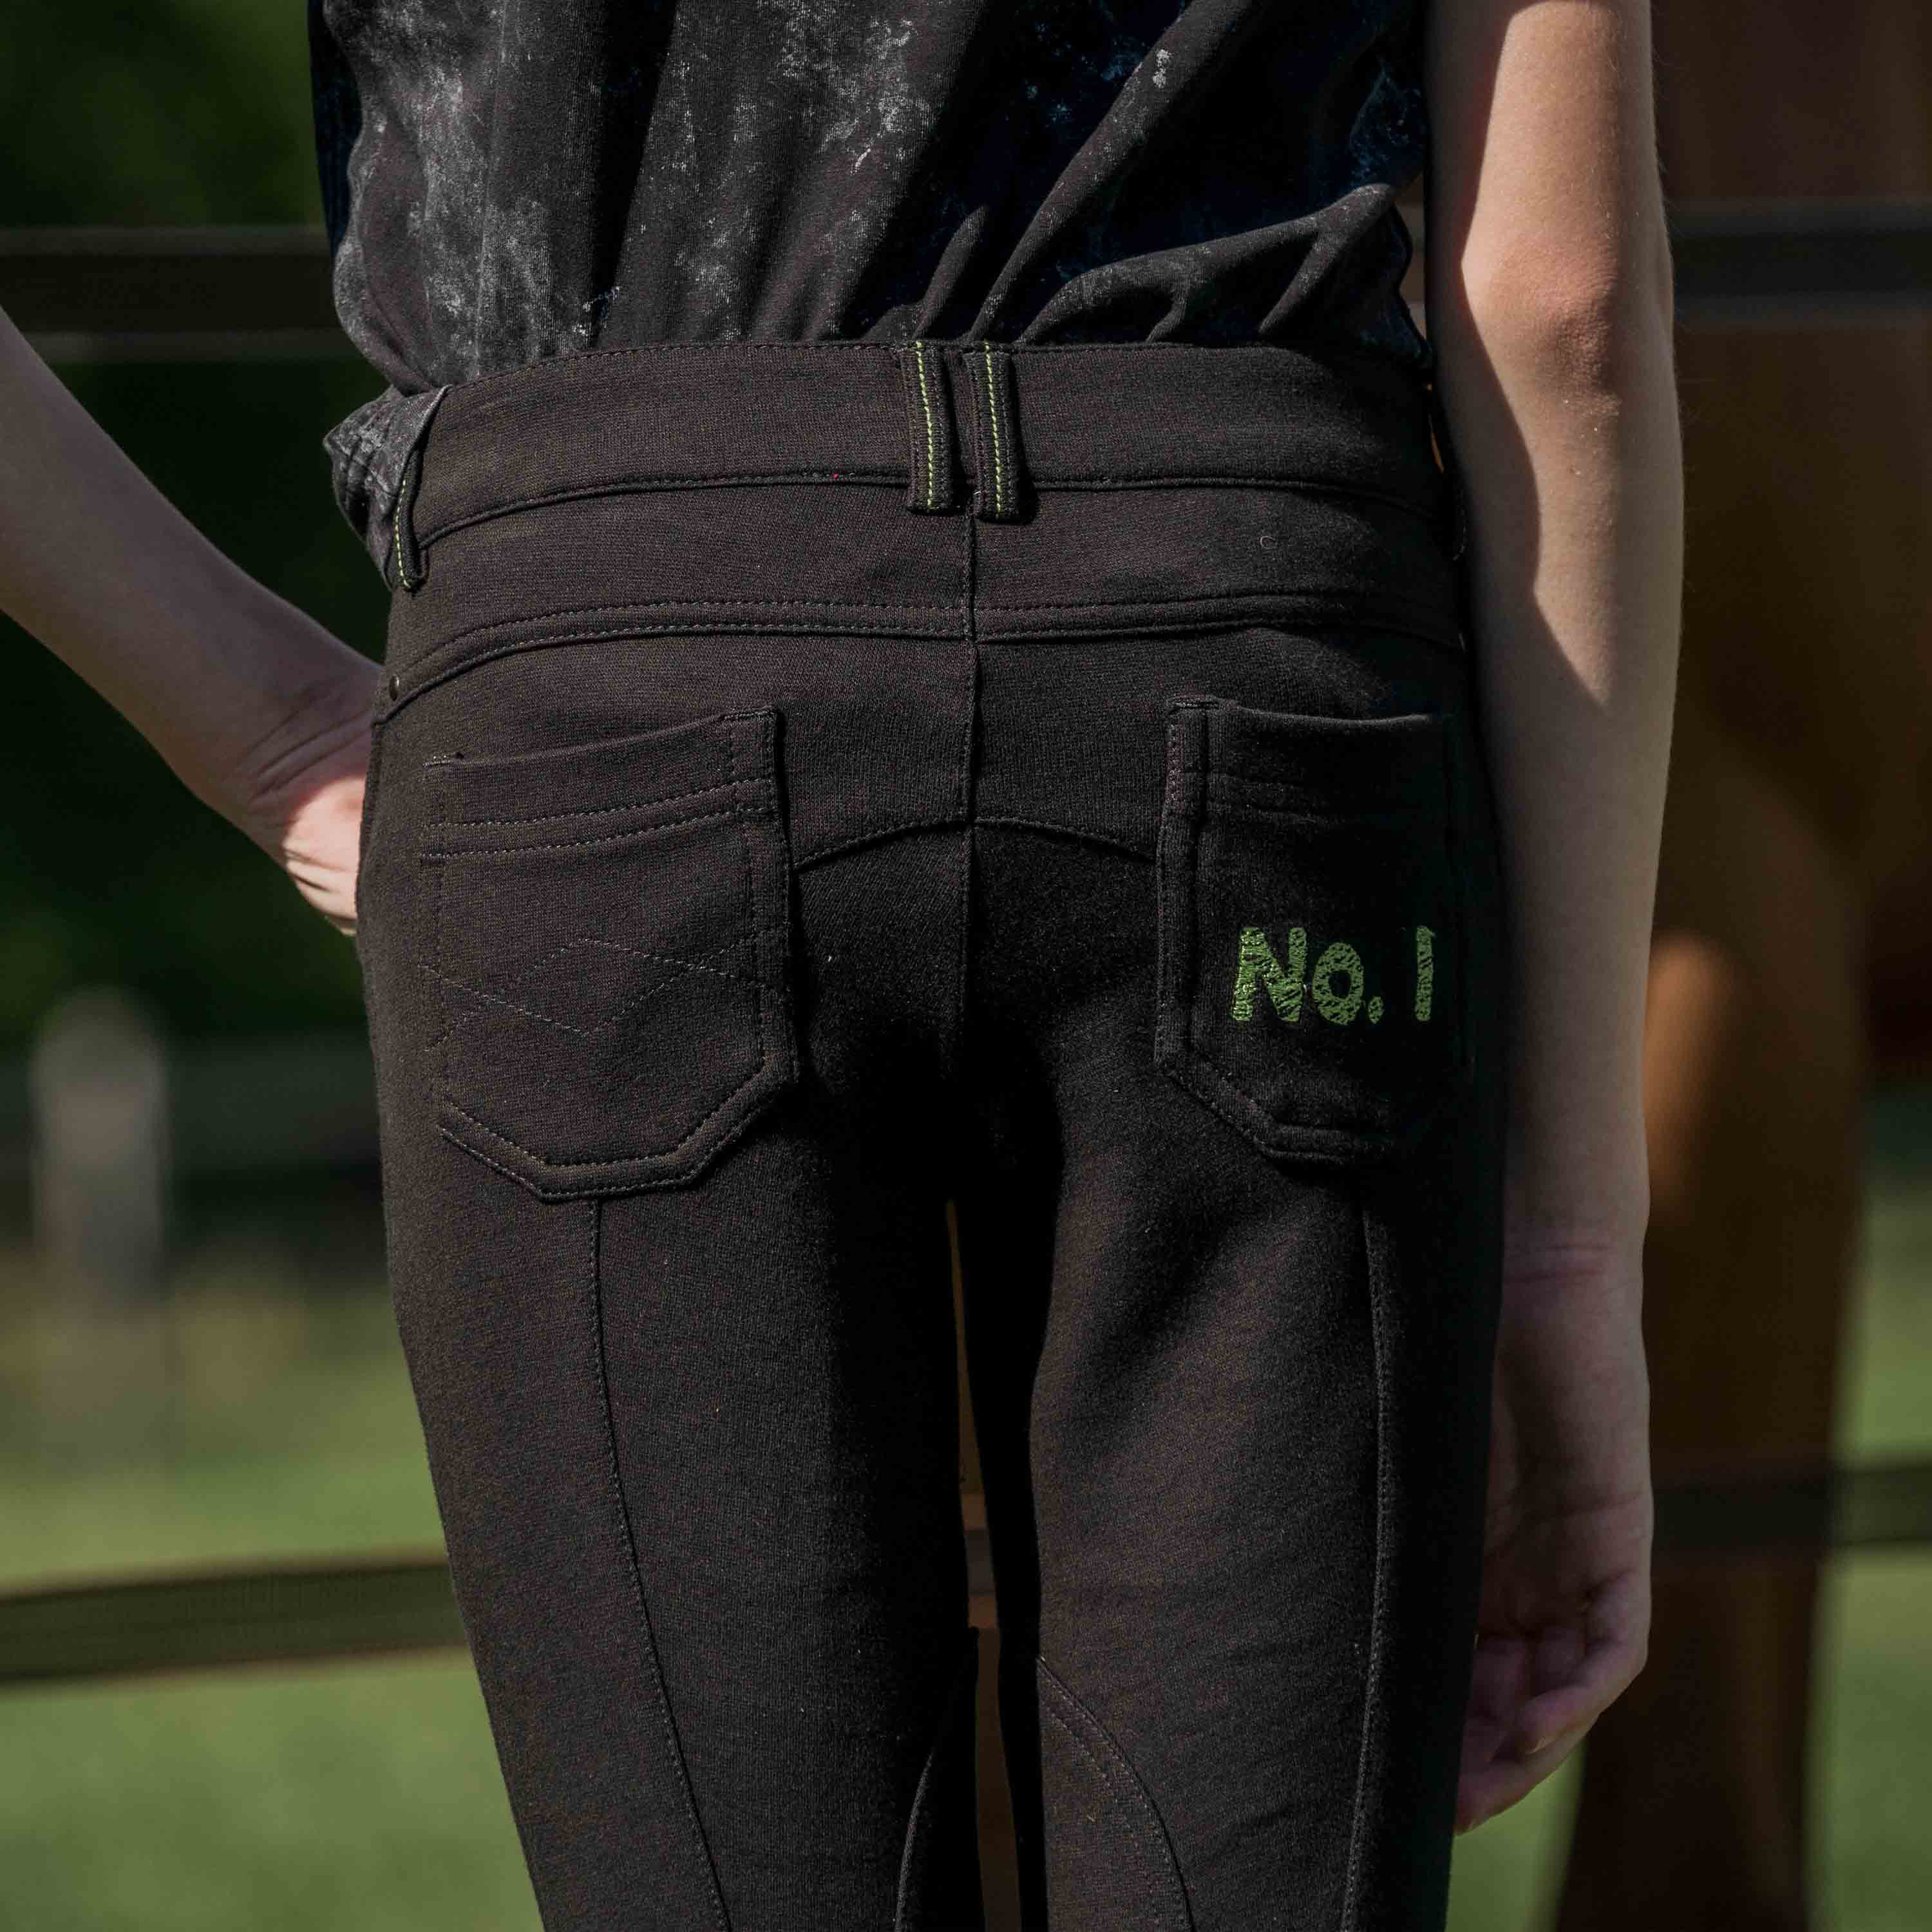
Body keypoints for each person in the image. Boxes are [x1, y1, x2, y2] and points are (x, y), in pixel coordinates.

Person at [1, 1, 1680, 1925]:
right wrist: (1568, 1237)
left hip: (605, 693)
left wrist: (280, 732)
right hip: (1253, 674)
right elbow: (1563, 313)